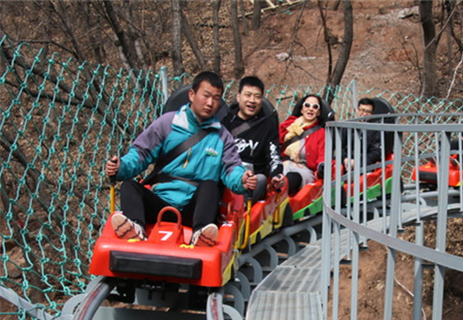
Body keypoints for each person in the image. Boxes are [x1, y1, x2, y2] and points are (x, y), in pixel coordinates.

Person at [105, 71, 256, 247]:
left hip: (195, 207)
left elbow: (232, 169)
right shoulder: (166, 123)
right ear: (192, 95)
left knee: (210, 186)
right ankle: (135, 228)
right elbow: (140, 154)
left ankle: (201, 234)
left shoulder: (222, 136)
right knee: (130, 186)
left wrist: (242, 179)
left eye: (216, 98)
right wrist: (120, 167)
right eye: (206, 96)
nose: (210, 103)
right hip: (162, 201)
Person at [221, 76, 284, 202]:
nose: (252, 100)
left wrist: (276, 175)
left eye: (257, 96)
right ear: (238, 97)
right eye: (248, 95)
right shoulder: (225, 121)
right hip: (226, 174)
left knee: (260, 179)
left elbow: (274, 156)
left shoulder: (268, 124)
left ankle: (237, 212)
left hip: (252, 179)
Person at [279, 94, 328, 195]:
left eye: (315, 107)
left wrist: (322, 165)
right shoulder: (288, 124)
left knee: (292, 177)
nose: (310, 109)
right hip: (283, 164)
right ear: (301, 109)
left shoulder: (320, 132)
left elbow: (322, 154)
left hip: (303, 169)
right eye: (307, 105)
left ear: (318, 112)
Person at [342, 97, 387, 171]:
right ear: (357, 110)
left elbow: (376, 152)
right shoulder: (347, 127)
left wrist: (358, 163)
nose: (364, 114)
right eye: (362, 110)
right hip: (347, 163)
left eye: (368, 112)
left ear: (372, 114)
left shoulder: (376, 129)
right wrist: (345, 159)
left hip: (366, 165)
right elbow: (340, 146)